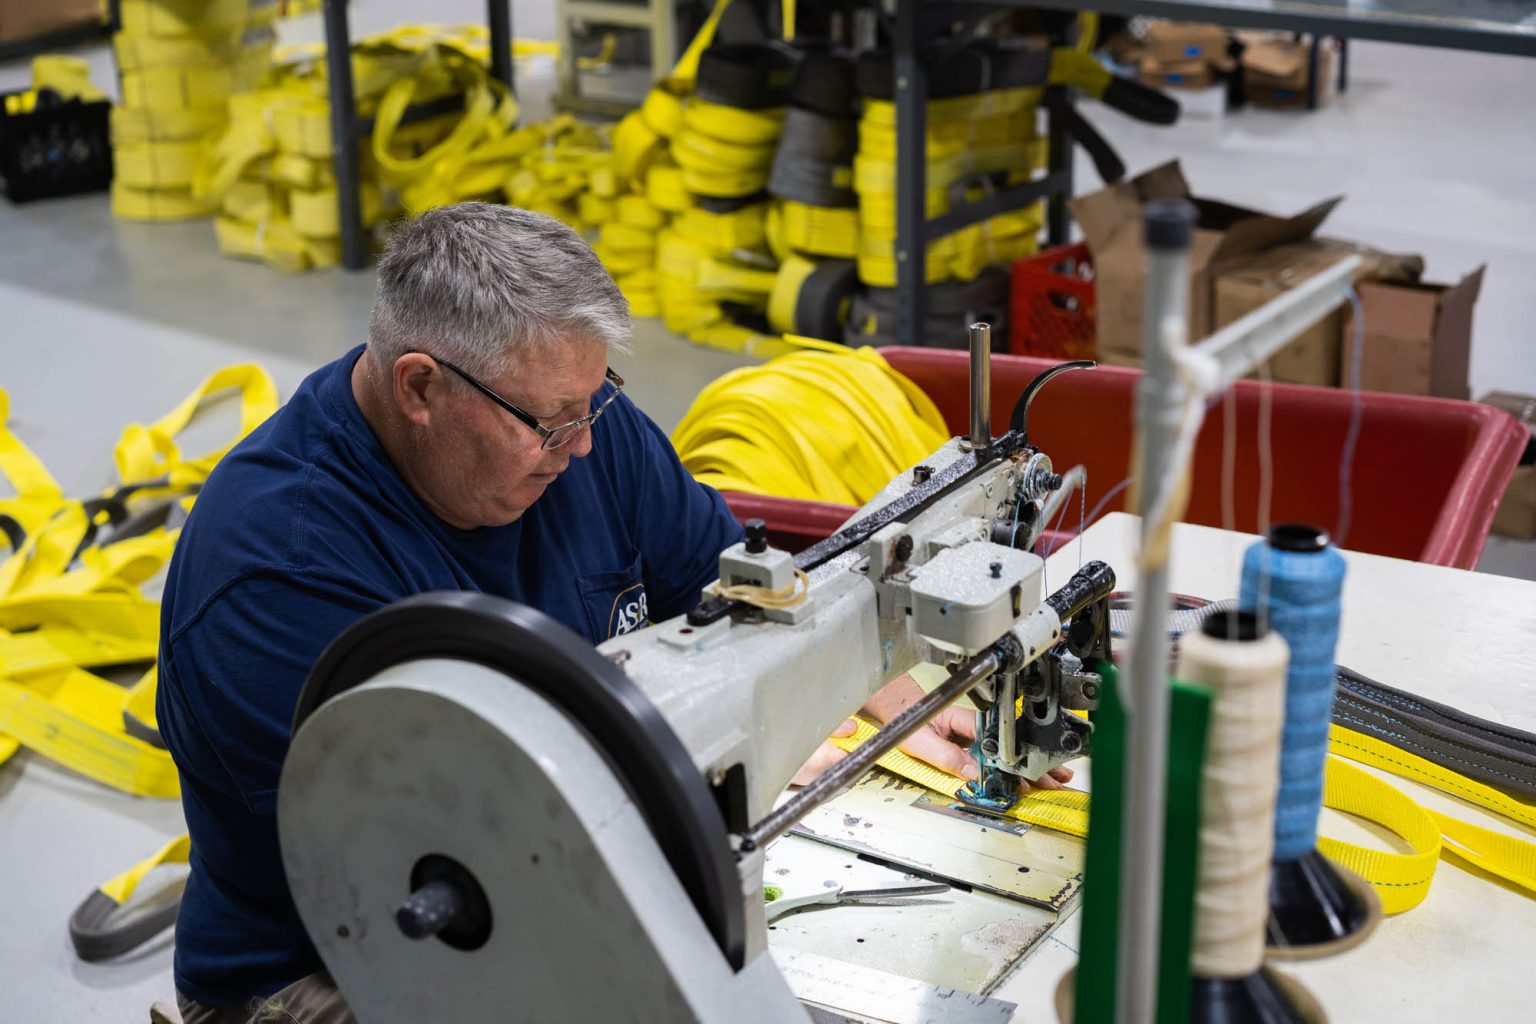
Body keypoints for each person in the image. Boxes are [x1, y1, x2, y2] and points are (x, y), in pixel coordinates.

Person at [156, 203, 1067, 1023]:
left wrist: (867, 669)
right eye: (553, 421)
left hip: (540, 862)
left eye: (595, 402)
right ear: (420, 389)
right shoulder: (276, 578)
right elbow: (445, 868)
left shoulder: (583, 433)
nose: (585, 442)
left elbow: (744, 603)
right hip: (340, 966)